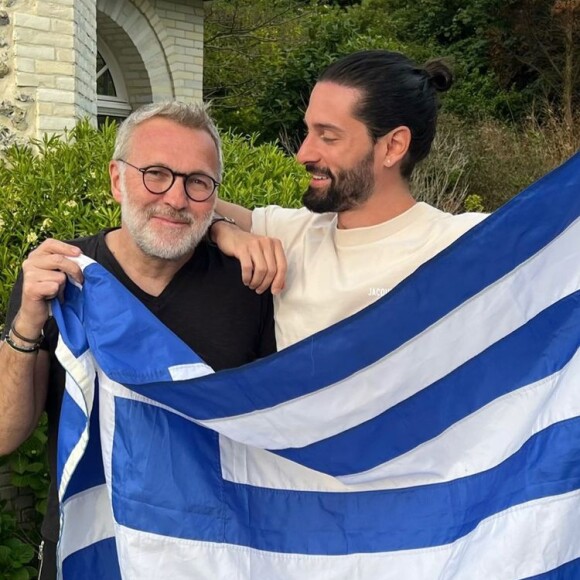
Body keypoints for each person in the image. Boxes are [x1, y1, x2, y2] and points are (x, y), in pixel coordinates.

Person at [0, 102, 276, 579]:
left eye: (197, 182)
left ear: (213, 196)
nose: (175, 197)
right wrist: (27, 321)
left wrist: (228, 228)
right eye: (155, 174)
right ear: (116, 180)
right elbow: (5, 434)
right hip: (91, 545)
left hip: (209, 554)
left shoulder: (249, 287)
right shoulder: (60, 276)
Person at [211, 50, 487, 349]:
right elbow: (188, 202)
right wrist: (223, 229)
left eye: (328, 137)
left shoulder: (457, 244)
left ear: (393, 146)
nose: (303, 154)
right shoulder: (294, 234)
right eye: (308, 132)